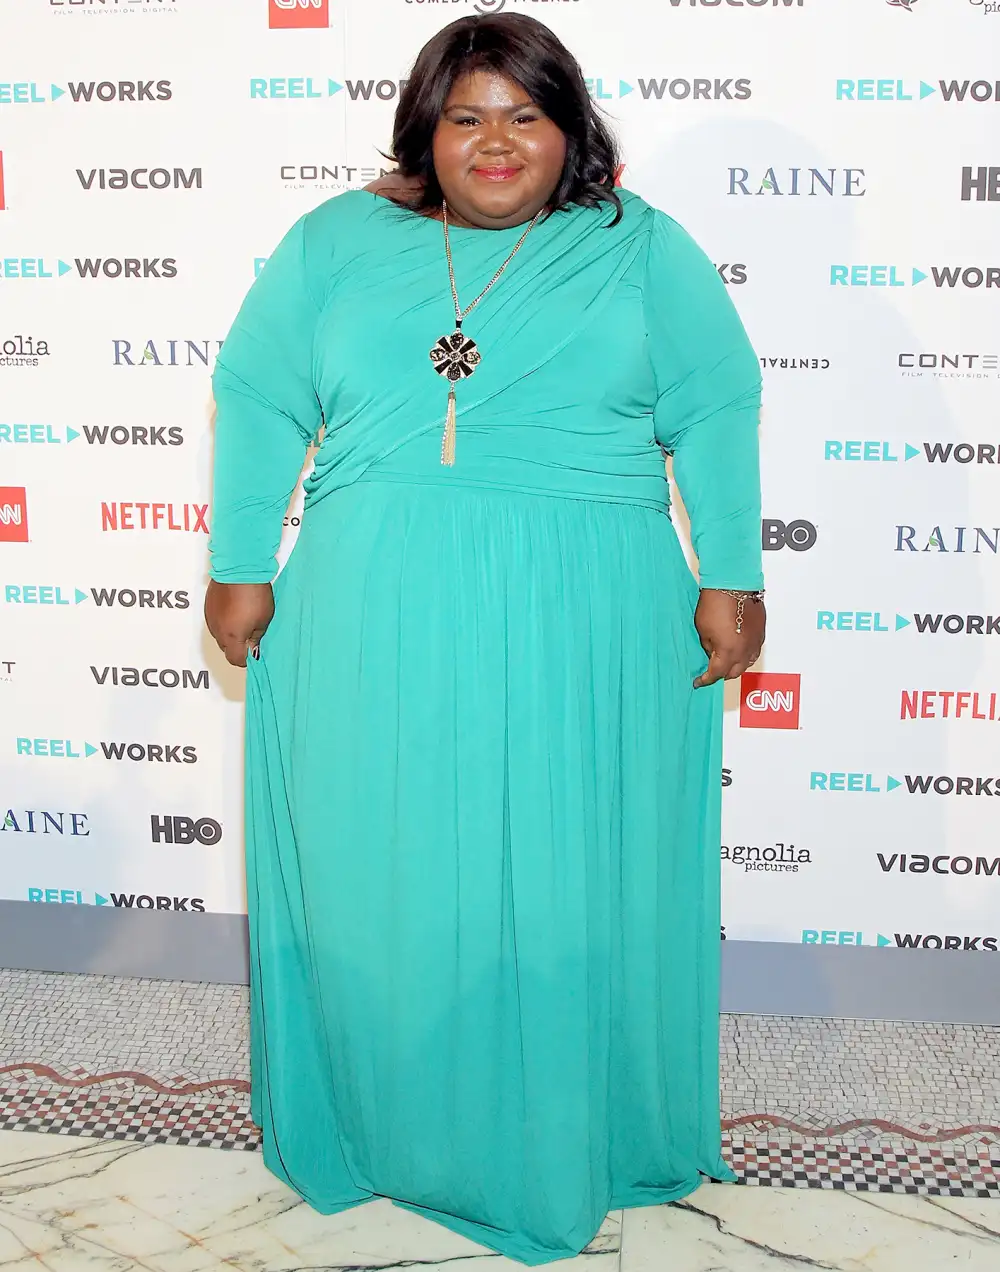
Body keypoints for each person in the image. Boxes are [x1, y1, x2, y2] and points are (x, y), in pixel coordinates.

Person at [205, 12, 765, 1265]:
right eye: (466, 116)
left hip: (590, 609)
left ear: (569, 131)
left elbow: (718, 401)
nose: (494, 142)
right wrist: (238, 562)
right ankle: (385, 1124)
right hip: (371, 607)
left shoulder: (639, 249)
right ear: (426, 130)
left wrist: (731, 569)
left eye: (524, 114)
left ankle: (578, 1131)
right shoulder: (334, 244)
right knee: (384, 866)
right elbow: (255, 392)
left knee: (572, 875)